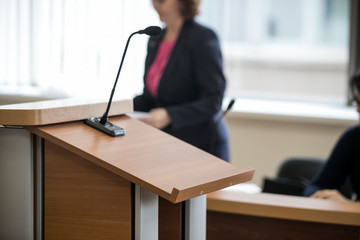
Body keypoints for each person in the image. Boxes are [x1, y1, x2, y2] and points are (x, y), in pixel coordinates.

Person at [133, 0, 230, 161]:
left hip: (202, 146)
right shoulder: (155, 39)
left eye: (162, 0)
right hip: (167, 145)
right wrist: (116, 108)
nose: (156, 5)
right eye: (154, 1)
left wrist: (169, 115)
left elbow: (213, 100)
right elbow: (150, 97)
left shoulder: (202, 38)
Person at [303, 71, 360, 202]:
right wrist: (322, 196)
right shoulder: (353, 137)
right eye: (356, 102)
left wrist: (347, 205)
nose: (357, 110)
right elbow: (317, 186)